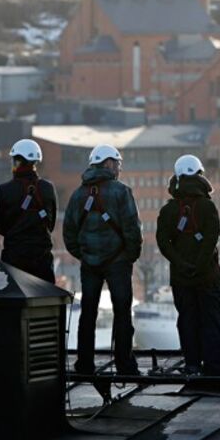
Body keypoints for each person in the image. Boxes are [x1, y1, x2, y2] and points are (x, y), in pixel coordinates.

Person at [62, 143, 143, 376]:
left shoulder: (78, 194)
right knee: (122, 313)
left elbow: (69, 232)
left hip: (90, 264)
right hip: (118, 262)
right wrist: (130, 255)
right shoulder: (122, 192)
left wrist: (84, 255)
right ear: (108, 163)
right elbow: (132, 228)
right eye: (117, 164)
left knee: (88, 313)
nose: (119, 168)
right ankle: (125, 364)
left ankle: (84, 364)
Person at [156, 154, 220, 376]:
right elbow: (211, 240)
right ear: (200, 175)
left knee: (187, 319)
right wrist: (199, 265)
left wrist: (181, 264)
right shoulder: (207, 206)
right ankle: (214, 365)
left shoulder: (168, 210)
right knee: (211, 319)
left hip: (180, 278)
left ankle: (192, 364)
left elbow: (163, 242)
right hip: (207, 276)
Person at [0, 139, 57, 283]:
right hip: (41, 258)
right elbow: (51, 224)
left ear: (16, 162)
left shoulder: (5, 190)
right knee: (44, 295)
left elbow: (0, 227)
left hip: (13, 257)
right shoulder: (47, 188)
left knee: (13, 295)